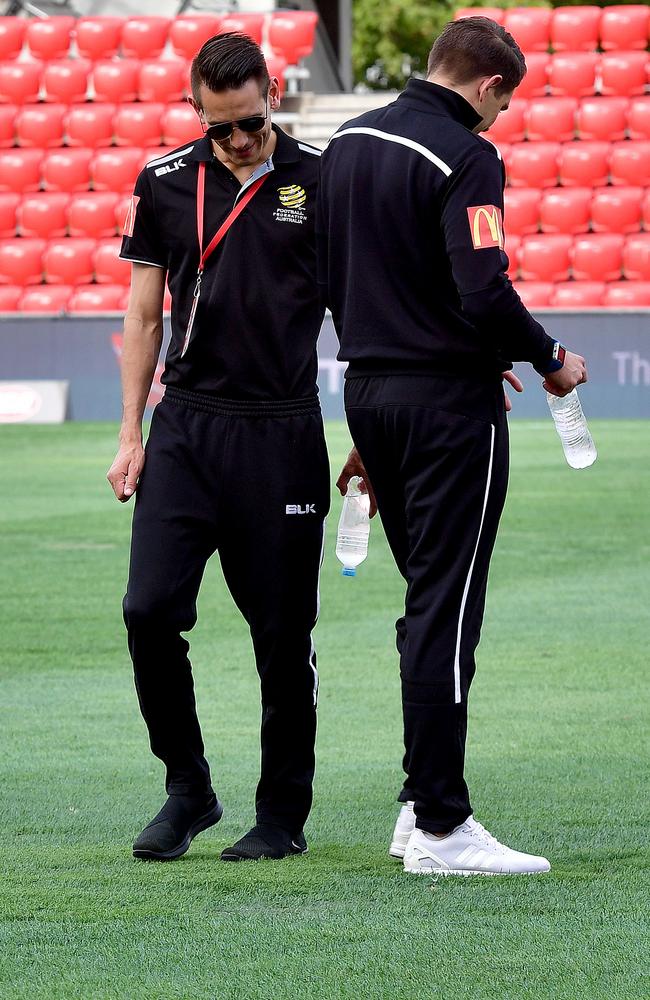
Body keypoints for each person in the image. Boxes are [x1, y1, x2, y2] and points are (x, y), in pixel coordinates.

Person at [318, 16, 588, 876]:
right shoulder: (467, 154)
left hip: (368, 393)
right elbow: (482, 288)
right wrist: (548, 357)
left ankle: (416, 802)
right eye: (502, 103)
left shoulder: (347, 143)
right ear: (489, 87)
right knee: (448, 604)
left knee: (429, 598)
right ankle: (441, 825)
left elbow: (333, 276)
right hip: (444, 412)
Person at [107, 32, 331, 863]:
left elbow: (365, 310)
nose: (239, 141)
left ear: (272, 94)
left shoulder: (321, 180)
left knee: (282, 634)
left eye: (252, 123)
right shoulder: (164, 182)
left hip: (283, 430)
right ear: (195, 109)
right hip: (189, 428)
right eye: (221, 127)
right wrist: (132, 431)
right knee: (147, 611)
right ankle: (188, 788)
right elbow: (141, 315)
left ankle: (282, 816)